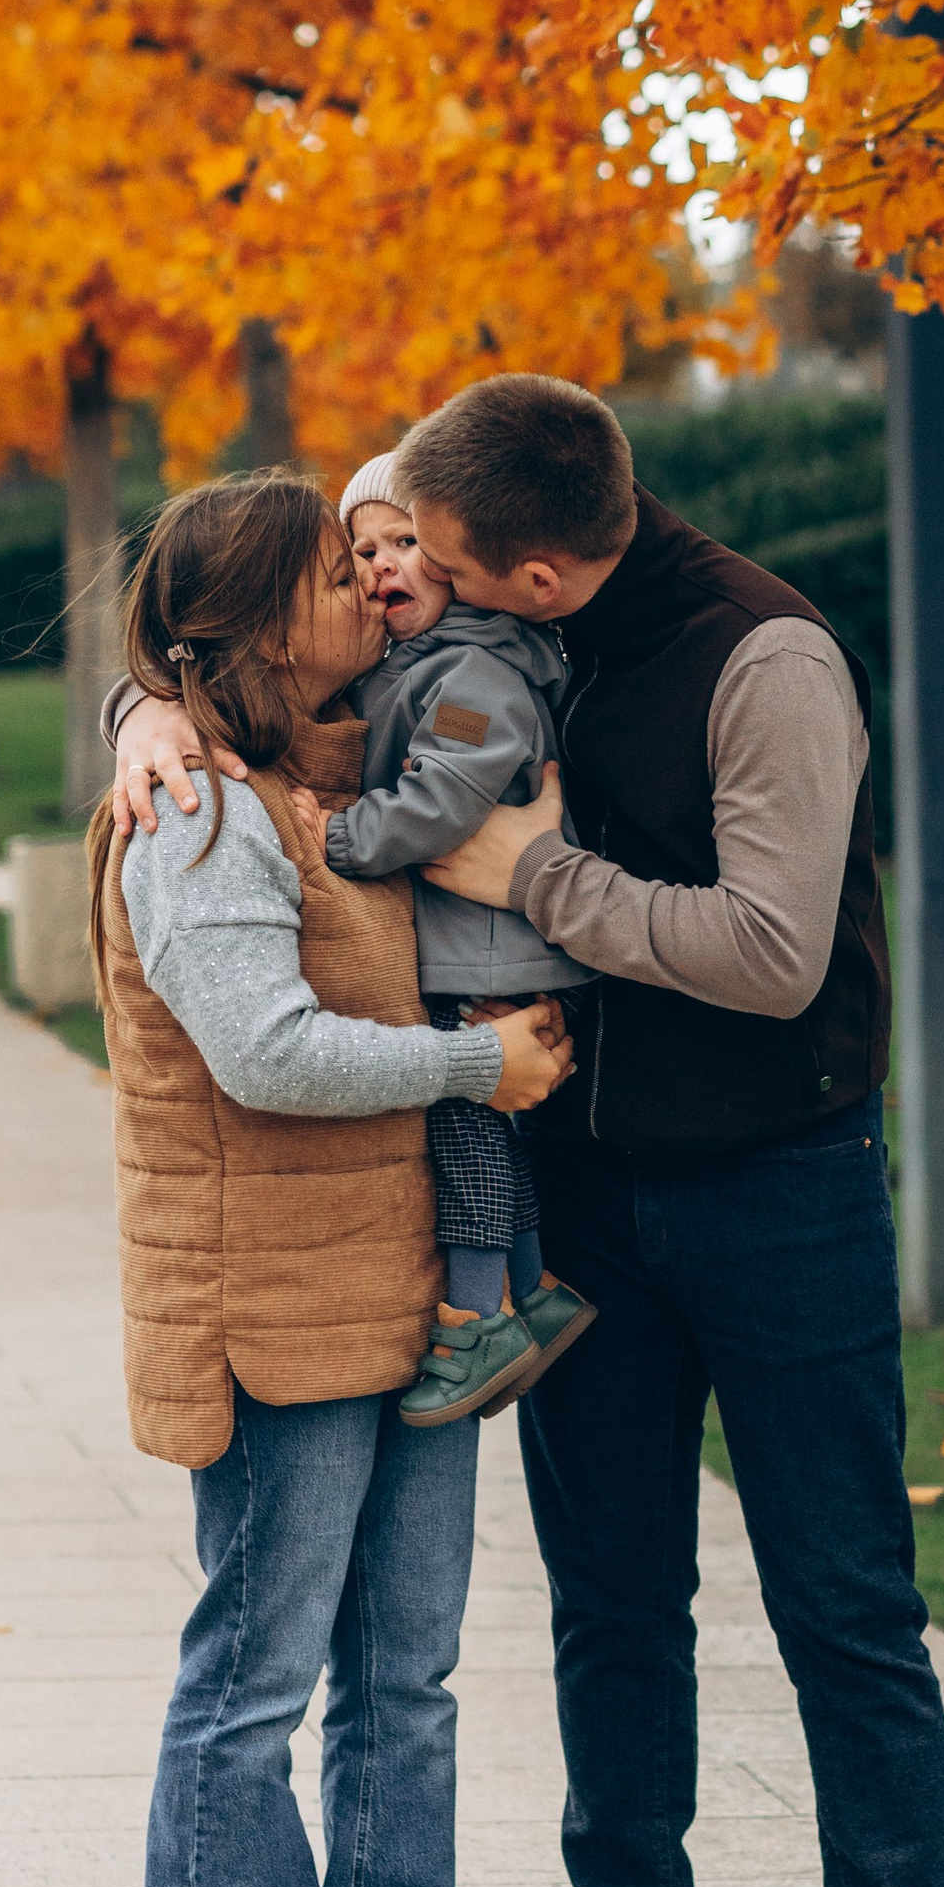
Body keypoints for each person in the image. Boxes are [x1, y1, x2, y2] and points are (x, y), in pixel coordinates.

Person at [112, 381, 944, 1887]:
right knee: (614, 1610)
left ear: (531, 574)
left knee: (847, 1603)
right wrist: (143, 708)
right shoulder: (462, 602)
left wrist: (534, 866)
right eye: (387, 564)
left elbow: (769, 953)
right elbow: (233, 648)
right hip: (574, 1192)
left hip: (782, 1182)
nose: (395, 588)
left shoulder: (766, 661)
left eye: (426, 564)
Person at [89, 468, 573, 1887]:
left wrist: (134, 701)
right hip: (275, 1306)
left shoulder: (326, 769)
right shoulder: (200, 817)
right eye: (327, 572)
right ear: (248, 623)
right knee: (257, 1678)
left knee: (407, 1677)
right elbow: (269, 1053)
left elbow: (474, 672)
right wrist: (475, 1066)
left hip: (402, 1302)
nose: (369, 588)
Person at [327, 455, 597, 1427]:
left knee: (464, 1125)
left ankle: (475, 1317)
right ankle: (531, 1293)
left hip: (492, 950)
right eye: (362, 548)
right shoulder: (420, 661)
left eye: (405, 543)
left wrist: (337, 841)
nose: (380, 566)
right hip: (474, 946)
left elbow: (444, 793)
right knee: (483, 1124)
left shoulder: (476, 673)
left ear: (454, 553)